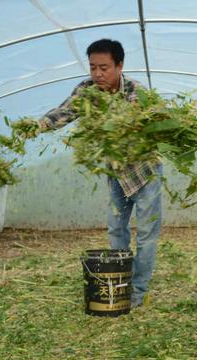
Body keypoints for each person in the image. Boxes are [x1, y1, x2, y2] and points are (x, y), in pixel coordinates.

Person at [38, 39, 163, 309]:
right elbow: (65, 111)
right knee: (116, 229)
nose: (97, 74)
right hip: (115, 170)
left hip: (144, 172)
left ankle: (139, 292)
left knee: (146, 234)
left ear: (119, 65)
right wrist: (40, 124)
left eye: (104, 68)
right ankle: (119, 282)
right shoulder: (86, 90)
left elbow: (143, 125)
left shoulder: (135, 92)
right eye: (93, 67)